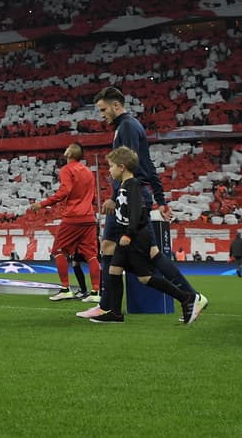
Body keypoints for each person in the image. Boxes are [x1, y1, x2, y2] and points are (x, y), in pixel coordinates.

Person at [79, 87, 205, 320]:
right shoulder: (129, 126)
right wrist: (160, 199)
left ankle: (190, 296)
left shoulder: (126, 127)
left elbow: (129, 167)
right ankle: (109, 307)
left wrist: (116, 197)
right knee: (112, 248)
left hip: (129, 198)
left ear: (116, 105)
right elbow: (147, 165)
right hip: (134, 195)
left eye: (103, 109)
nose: (102, 114)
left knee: (149, 255)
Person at [90, 147, 199, 325]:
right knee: (114, 270)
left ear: (122, 167)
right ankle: (116, 314)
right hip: (126, 237)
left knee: (144, 278)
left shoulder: (133, 185)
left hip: (134, 238)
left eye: (111, 166)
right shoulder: (124, 186)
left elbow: (138, 213)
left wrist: (128, 235)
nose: (109, 170)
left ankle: (185, 298)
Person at [30, 143, 101, 302]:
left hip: (73, 217)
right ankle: (96, 292)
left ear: (69, 153)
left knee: (58, 250)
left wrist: (43, 204)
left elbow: (65, 191)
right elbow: (94, 197)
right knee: (91, 255)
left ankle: (65, 288)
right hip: (89, 217)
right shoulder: (88, 172)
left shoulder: (67, 170)